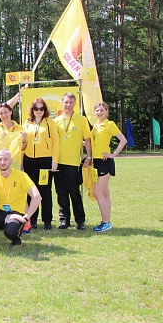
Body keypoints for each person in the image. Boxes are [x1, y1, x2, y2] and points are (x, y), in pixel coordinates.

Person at [0, 149, 42, 247]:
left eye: (5, 159)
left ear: (11, 161)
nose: (2, 162)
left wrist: (26, 217)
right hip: (0, 213)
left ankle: (16, 240)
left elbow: (37, 197)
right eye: (0, 159)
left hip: (16, 215)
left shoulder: (21, 176)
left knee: (10, 232)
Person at [54, 92, 92, 230]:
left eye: (71, 102)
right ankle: (64, 220)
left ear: (75, 103)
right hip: (58, 162)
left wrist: (89, 156)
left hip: (73, 163)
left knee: (74, 192)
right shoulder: (56, 121)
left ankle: (80, 220)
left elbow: (87, 139)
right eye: (66, 102)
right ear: (62, 103)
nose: (68, 105)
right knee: (61, 193)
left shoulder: (81, 119)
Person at [22, 98, 59, 231]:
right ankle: (32, 219)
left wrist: (54, 161)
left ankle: (47, 220)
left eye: (41, 108)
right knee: (31, 191)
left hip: (45, 161)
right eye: (36, 108)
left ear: (45, 110)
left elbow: (56, 142)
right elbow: (22, 142)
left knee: (45, 191)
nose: (39, 111)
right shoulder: (26, 123)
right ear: (32, 110)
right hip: (29, 161)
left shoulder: (50, 123)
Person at [91, 102, 127, 232]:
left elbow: (123, 140)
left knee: (97, 192)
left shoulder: (110, 124)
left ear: (107, 111)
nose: (99, 112)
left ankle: (105, 223)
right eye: (97, 110)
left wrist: (113, 154)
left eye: (102, 110)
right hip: (96, 162)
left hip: (105, 162)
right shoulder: (95, 126)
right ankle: (107, 221)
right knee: (105, 193)